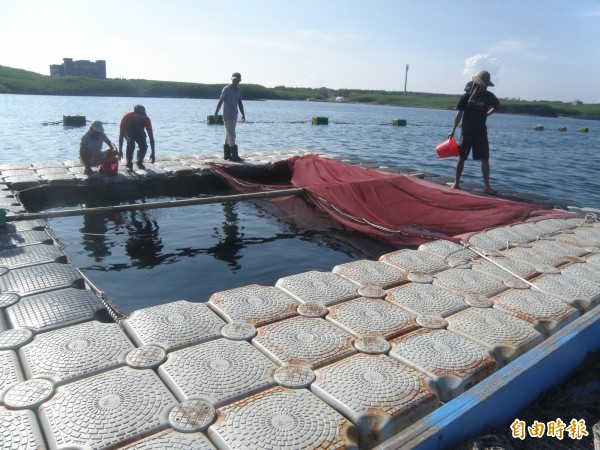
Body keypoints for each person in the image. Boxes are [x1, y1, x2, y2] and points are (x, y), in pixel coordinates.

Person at [448, 70, 500, 194]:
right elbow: (459, 114)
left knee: (485, 159)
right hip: (466, 132)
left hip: (481, 132)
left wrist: (487, 114)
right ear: (477, 83)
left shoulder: (489, 96)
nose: (485, 86)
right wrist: (453, 130)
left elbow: (497, 106)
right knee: (461, 158)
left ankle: (487, 186)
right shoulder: (466, 96)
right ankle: (456, 182)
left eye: (486, 84)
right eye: (483, 83)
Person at [214, 72, 245, 162]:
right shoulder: (226, 89)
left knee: (228, 135)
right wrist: (216, 113)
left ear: (240, 80)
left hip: (234, 114)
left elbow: (240, 102)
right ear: (231, 79)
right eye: (234, 79)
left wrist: (243, 113)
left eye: (237, 79)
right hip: (227, 115)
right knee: (232, 135)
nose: (235, 81)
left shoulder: (239, 90)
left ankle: (227, 155)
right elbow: (221, 101)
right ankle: (234, 156)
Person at [118, 104, 155, 172]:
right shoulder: (126, 117)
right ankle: (129, 164)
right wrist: (120, 151)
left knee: (144, 145)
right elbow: (121, 135)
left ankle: (139, 162)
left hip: (139, 131)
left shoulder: (146, 119)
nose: (141, 117)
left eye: (143, 115)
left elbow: (151, 137)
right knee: (131, 143)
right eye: (139, 115)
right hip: (128, 131)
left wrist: (153, 153)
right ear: (134, 113)